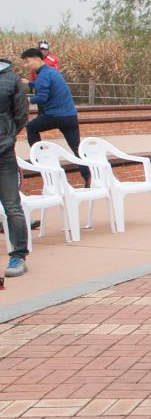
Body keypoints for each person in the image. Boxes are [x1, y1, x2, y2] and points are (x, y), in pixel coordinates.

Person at [21, 48, 89, 185]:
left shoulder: (42, 75)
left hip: (55, 115)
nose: (26, 65)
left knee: (31, 128)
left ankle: (39, 158)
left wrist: (26, 100)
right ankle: (88, 176)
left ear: (37, 59)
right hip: (70, 116)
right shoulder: (52, 71)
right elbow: (44, 84)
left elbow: (42, 98)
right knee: (76, 147)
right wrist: (29, 83)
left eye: (27, 62)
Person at [1, 57, 30, 278]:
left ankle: (18, 256)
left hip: (3, 154)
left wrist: (7, 138)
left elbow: (21, 116)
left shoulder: (12, 81)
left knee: (12, 206)